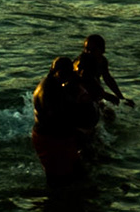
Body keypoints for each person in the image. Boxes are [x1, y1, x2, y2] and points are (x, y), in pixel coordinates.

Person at [30, 56, 93, 184]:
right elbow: (55, 117)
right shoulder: (48, 89)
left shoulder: (55, 84)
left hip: (57, 136)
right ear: (54, 71)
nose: (66, 75)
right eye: (63, 72)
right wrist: (78, 130)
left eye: (69, 72)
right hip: (49, 138)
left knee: (76, 172)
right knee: (60, 178)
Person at [75, 35, 130, 115]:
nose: (88, 52)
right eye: (86, 49)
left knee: (109, 113)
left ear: (102, 50)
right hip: (79, 94)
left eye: (93, 50)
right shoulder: (82, 62)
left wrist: (121, 97)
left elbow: (107, 78)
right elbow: (87, 83)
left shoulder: (102, 61)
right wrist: (108, 97)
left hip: (93, 92)